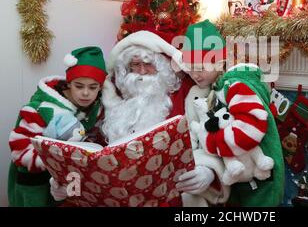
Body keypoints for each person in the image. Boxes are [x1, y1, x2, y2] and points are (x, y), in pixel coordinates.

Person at [99, 30, 230, 206]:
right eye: (135, 65)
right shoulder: (114, 97)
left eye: (148, 64)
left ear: (162, 65)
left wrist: (209, 170)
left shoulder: (189, 93)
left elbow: (218, 135)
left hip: (174, 191)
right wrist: (70, 181)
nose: (142, 71)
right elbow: (93, 149)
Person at [176, 19, 285, 207]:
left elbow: (250, 129)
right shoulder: (214, 88)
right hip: (242, 178)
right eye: (190, 68)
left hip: (262, 178)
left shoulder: (236, 85)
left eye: (201, 67)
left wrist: (209, 141)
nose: (194, 74)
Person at [8, 46, 107, 207]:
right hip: (35, 185)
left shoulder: (95, 108)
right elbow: (19, 149)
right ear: (69, 84)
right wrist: (57, 166)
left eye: (93, 87)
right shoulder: (41, 108)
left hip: (69, 186)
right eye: (79, 86)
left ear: (100, 87)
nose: (86, 93)